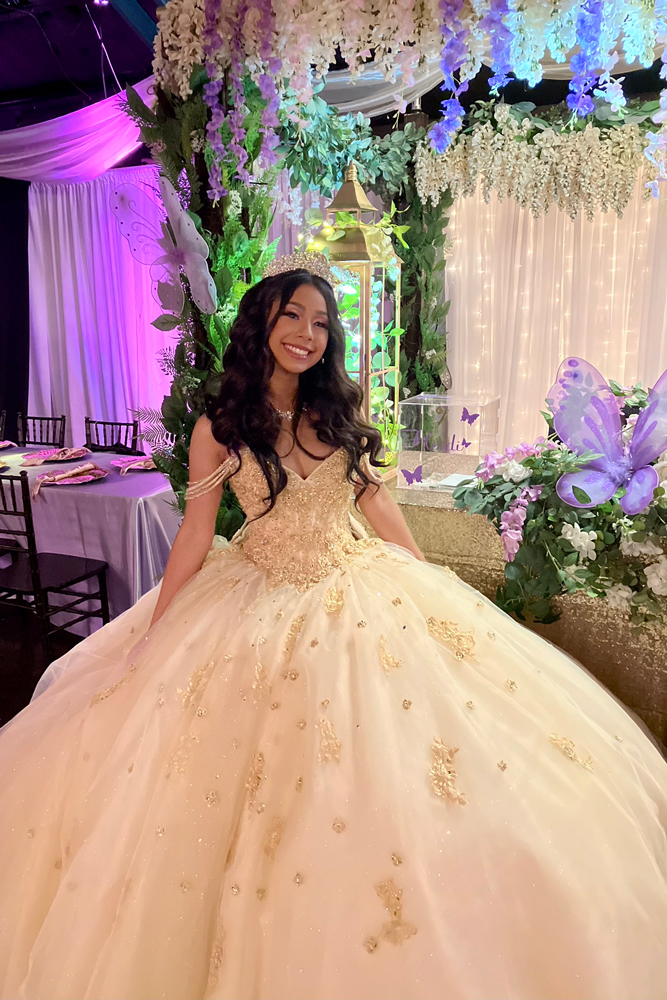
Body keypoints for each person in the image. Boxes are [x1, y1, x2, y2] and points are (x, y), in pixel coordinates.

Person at [1, 251, 666, 1000]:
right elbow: (194, 532)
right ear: (263, 324)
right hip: (252, 592)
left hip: (355, 584)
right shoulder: (221, 424)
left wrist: (425, 573)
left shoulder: (339, 410)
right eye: (292, 316)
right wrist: (160, 625)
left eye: (320, 323)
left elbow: (376, 503)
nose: (307, 334)